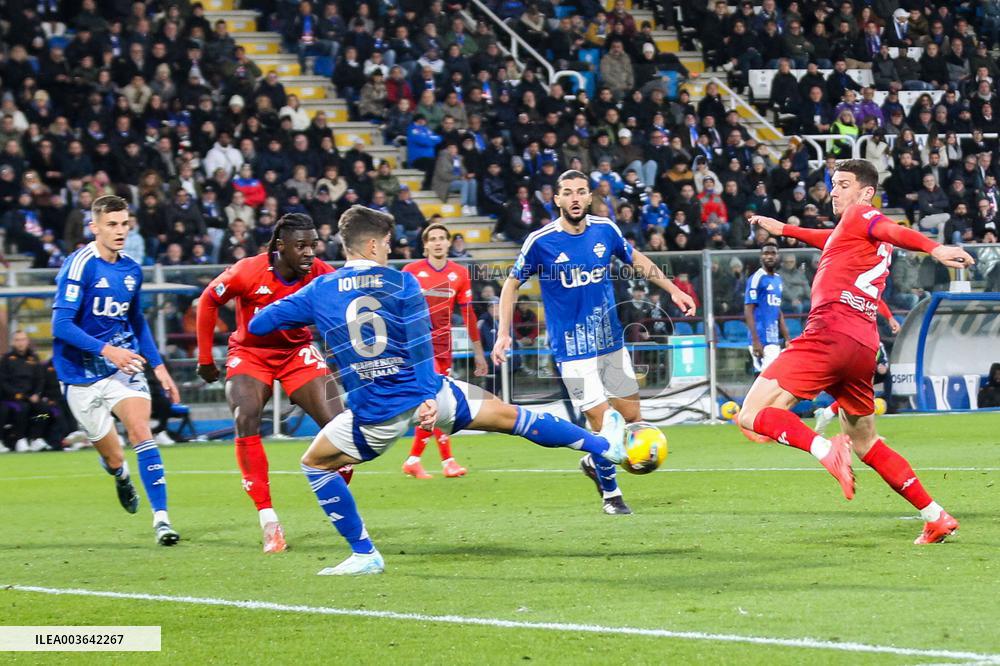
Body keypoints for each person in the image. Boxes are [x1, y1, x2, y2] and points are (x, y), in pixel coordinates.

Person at [247, 206, 627, 575]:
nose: (391, 249)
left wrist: (315, 319)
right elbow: (419, 344)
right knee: (511, 417)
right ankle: (603, 446)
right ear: (374, 246)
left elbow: (261, 324)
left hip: (376, 412)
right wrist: (428, 395)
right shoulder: (402, 282)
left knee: (314, 464)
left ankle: (365, 554)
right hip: (428, 391)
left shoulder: (320, 289)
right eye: (388, 242)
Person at [745, 159, 974, 544]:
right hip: (862, 344)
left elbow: (888, 227)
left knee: (751, 414)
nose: (834, 191)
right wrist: (782, 228)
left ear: (866, 192)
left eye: (843, 184)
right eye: (833, 184)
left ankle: (823, 448)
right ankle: (935, 515)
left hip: (830, 331)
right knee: (867, 441)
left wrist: (934, 249)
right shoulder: (856, 232)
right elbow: (828, 238)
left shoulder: (865, 217)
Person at [492, 170, 697, 515]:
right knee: (604, 426)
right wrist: (502, 332)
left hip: (609, 343)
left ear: (590, 197)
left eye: (581, 192)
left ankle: (592, 460)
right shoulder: (541, 241)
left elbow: (638, 260)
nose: (574, 198)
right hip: (571, 351)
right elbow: (511, 284)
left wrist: (674, 289)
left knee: (631, 416)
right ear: (556, 199)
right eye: (567, 192)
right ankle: (611, 495)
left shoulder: (606, 230)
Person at [196, 213, 347, 554]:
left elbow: (344, 309)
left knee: (342, 429)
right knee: (245, 416)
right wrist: (206, 358)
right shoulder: (247, 270)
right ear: (281, 247)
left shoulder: (322, 273)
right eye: (301, 246)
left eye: (313, 245)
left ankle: (337, 503)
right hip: (251, 353)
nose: (310, 253)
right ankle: (269, 520)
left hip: (297, 352)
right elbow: (209, 300)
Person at [51, 195, 181, 546]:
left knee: (141, 430)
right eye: (112, 224)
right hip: (78, 372)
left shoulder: (131, 270)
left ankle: (162, 521)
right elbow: (60, 325)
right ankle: (120, 474)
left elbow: (136, 321)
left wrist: (158, 367)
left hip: (122, 367)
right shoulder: (79, 265)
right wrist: (107, 350)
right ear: (94, 227)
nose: (120, 230)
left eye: (125, 223)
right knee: (113, 456)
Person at [400, 223, 488, 479]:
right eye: (433, 239)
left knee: (436, 403)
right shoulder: (411, 271)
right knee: (436, 400)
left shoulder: (459, 273)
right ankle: (445, 460)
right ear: (425, 244)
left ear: (449, 243)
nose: (438, 243)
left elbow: (469, 313)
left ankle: (415, 459)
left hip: (443, 347)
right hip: (417, 346)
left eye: (442, 238)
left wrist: (478, 352)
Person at [744, 243, 790, 374]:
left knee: (770, 377)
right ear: (761, 257)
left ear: (778, 256)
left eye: (773, 253)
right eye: (766, 253)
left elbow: (777, 309)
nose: (769, 256)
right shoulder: (756, 278)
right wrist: (755, 340)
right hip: (761, 337)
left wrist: (787, 338)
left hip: (774, 337)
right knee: (765, 377)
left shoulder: (778, 279)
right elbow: (748, 310)